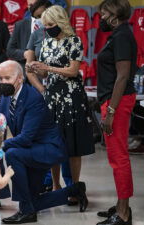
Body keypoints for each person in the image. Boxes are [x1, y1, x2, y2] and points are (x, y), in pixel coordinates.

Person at [0, 60, 87, 224]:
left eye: (7, 78)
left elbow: (25, 137)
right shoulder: (4, 98)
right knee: (32, 201)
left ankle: (26, 211)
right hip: (31, 149)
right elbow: (1, 125)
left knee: (11, 154)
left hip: (48, 148)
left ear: (19, 79)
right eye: (0, 78)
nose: (3, 82)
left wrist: (0, 146)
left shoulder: (33, 97)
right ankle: (75, 189)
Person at [29, 5, 95, 201]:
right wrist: (35, 68)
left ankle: (74, 187)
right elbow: (45, 73)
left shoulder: (74, 41)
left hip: (72, 97)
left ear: (61, 22)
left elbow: (73, 71)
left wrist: (47, 66)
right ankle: (56, 185)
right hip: (52, 97)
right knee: (52, 143)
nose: (47, 28)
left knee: (73, 145)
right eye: (45, 25)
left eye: (50, 24)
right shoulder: (47, 43)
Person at [96, 0, 137, 224]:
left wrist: (111, 110)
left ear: (113, 15)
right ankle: (122, 207)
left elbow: (122, 76)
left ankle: (123, 214)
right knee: (116, 156)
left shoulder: (121, 36)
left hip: (117, 102)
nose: (100, 18)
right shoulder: (119, 34)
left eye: (103, 14)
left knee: (119, 157)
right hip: (114, 100)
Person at [6, 0, 45, 70]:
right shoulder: (20, 25)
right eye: (30, 5)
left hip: (46, 70)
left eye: (36, 4)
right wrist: (25, 54)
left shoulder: (51, 24)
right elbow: (9, 50)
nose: (33, 8)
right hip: (25, 71)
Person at [24, 0, 51, 93]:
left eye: (41, 15)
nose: (39, 19)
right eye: (36, 17)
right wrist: (42, 90)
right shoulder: (36, 34)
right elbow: (29, 69)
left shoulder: (65, 33)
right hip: (41, 85)